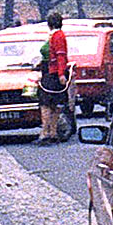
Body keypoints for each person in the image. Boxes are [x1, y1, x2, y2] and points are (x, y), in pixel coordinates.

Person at [35, 12, 73, 143]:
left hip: (53, 73)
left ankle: (46, 131)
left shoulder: (58, 36)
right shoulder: (55, 35)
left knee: (46, 103)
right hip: (51, 72)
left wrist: (61, 74)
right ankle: (52, 131)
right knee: (53, 103)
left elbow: (61, 56)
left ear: (49, 24)